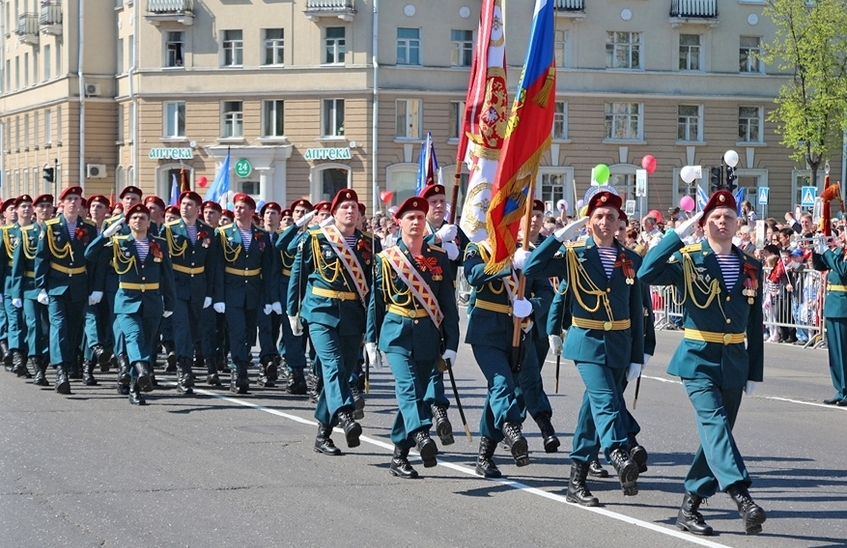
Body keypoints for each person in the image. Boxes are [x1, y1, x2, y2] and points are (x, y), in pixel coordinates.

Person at [638, 190, 767, 536]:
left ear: (738, 223)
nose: (722, 222)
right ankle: (741, 495)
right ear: (704, 223)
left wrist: (755, 370)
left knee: (716, 436)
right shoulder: (689, 257)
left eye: (728, 216)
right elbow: (646, 272)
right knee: (715, 426)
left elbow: (755, 326)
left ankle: (689, 507)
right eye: (715, 217)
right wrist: (677, 233)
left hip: (735, 361)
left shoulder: (751, 265)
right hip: (698, 359)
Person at [523, 190, 645, 505]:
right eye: (598, 217)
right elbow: (532, 267)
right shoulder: (574, 253)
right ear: (588, 223)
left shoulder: (630, 259)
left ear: (620, 222)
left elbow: (637, 310)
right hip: (586, 341)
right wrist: (560, 235)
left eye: (611, 216)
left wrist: (637, 355)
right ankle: (618, 453)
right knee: (606, 401)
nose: (605, 222)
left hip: (620, 343)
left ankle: (576, 480)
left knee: (591, 414)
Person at [365, 196, 459, 478]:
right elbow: (377, 302)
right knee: (407, 387)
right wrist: (371, 339)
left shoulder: (438, 257)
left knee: (416, 393)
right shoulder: (387, 259)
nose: (416, 222)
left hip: (428, 334)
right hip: (396, 332)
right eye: (410, 218)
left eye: (420, 217)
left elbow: (448, 304)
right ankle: (420, 433)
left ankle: (399, 454)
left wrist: (451, 344)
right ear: (400, 223)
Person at [288, 189, 378, 456]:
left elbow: (375, 288)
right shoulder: (315, 238)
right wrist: (293, 310)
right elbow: (298, 273)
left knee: (342, 369)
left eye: (354, 208)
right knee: (333, 364)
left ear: (360, 215)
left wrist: (373, 329)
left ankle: (323, 435)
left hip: (353, 314)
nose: (350, 212)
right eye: (345, 207)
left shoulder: (371, 243)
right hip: (320, 311)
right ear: (335, 212)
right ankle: (345, 414)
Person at [85, 203, 176, 405]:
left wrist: (170, 301)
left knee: (149, 342)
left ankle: (136, 387)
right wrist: (104, 236)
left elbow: (167, 274)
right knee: (134, 336)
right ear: (128, 222)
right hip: (126, 300)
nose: (138, 221)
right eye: (134, 218)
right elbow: (89, 255)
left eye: (142, 217)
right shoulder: (118, 243)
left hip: (152, 300)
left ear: (149, 222)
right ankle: (142, 368)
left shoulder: (159, 243)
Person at [34, 186, 99, 394]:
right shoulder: (51, 226)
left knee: (72, 330)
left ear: (81, 204)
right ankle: (61, 371)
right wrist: (41, 287)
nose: (73, 202)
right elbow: (42, 258)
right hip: (56, 284)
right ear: (61, 204)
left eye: (76, 199)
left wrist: (94, 288)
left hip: (79, 284)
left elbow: (93, 261)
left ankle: (68, 361)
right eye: (69, 199)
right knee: (59, 326)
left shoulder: (88, 227)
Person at [212, 193, 275, 394]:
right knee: (237, 331)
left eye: (242, 207)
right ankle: (238, 372)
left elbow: (268, 269)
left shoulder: (261, 235)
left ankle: (242, 361)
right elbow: (218, 267)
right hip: (232, 289)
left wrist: (268, 298)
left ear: (251, 211)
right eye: (236, 207)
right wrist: (219, 297)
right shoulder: (223, 234)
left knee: (249, 332)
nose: (238, 211)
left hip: (254, 291)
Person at [161, 191, 218, 394]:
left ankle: (185, 361)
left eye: (190, 204)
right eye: (183, 203)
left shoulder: (207, 231)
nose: (185, 207)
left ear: (197, 208)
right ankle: (183, 372)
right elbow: (162, 262)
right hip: (177, 285)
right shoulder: (168, 230)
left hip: (198, 286)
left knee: (194, 329)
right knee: (182, 327)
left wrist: (211, 293)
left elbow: (212, 265)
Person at [811, 227, 847, 406]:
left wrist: (827, 251)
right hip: (833, 307)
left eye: (843, 231)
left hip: (844, 307)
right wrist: (817, 250)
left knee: (844, 352)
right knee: (835, 353)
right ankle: (841, 389)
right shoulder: (840, 250)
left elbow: (843, 269)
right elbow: (820, 266)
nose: (840, 234)